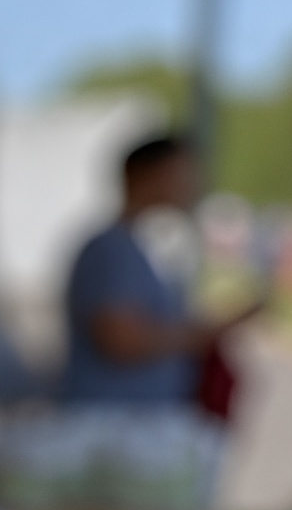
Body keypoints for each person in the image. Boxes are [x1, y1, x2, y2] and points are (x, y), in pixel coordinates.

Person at [63, 134, 252, 406]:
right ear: (145, 175)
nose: (191, 185)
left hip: (132, 427)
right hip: (119, 428)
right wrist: (209, 332)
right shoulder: (113, 249)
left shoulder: (133, 244)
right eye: (181, 174)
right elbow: (121, 341)